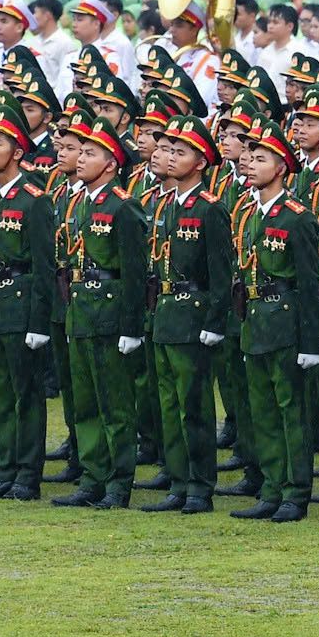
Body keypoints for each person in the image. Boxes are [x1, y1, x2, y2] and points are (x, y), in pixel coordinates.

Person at [229, 120, 319, 523]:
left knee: (291, 411)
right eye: (249, 157)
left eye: (261, 158)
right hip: (255, 320)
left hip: (286, 321)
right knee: (262, 410)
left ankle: (295, 492)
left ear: (282, 167)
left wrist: (312, 343)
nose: (250, 164)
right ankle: (271, 487)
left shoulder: (296, 217)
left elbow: (309, 284)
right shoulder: (248, 212)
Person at [48, 114, 145, 510]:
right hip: (82, 311)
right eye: (82, 152)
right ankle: (92, 477)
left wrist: (131, 327)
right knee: (85, 403)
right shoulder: (79, 203)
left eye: (90, 153)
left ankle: (118, 483)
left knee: (115, 404)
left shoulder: (124, 206)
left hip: (110, 312)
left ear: (110, 163)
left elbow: (135, 272)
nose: (81, 158)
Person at [0, 95, 56, 503]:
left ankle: (26, 475)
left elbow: (44, 267)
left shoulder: (33, 199)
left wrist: (39, 323)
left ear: (18, 151)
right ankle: (3, 469)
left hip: (22, 306)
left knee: (26, 395)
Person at [138, 115, 233, 514]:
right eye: (170, 150)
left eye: (181, 152)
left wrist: (214, 322)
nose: (172, 157)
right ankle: (178, 480)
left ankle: (199, 485)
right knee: (168, 405)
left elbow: (221, 273)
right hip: (165, 313)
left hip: (193, 316)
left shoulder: (209, 209)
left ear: (201, 161)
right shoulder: (165, 204)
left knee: (193, 406)